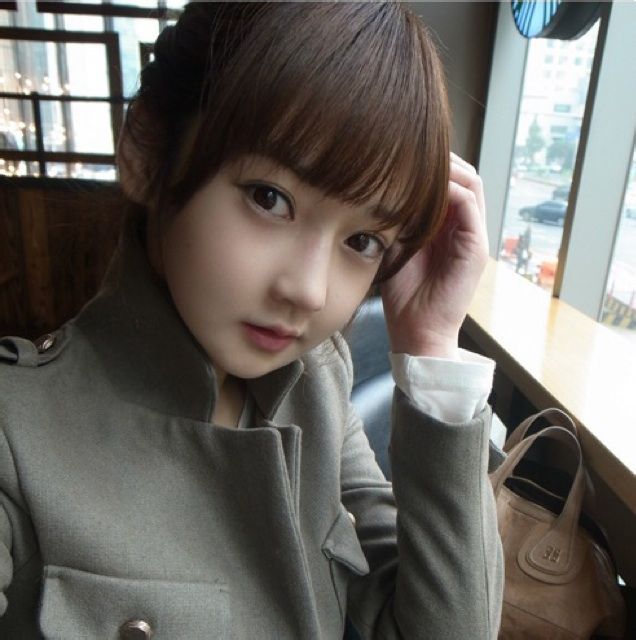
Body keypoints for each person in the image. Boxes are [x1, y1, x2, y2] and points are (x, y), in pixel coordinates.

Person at [0, 3, 503, 638]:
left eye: (363, 241)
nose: (309, 291)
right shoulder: (15, 436)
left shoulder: (317, 386)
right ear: (148, 152)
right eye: (270, 198)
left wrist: (430, 341)